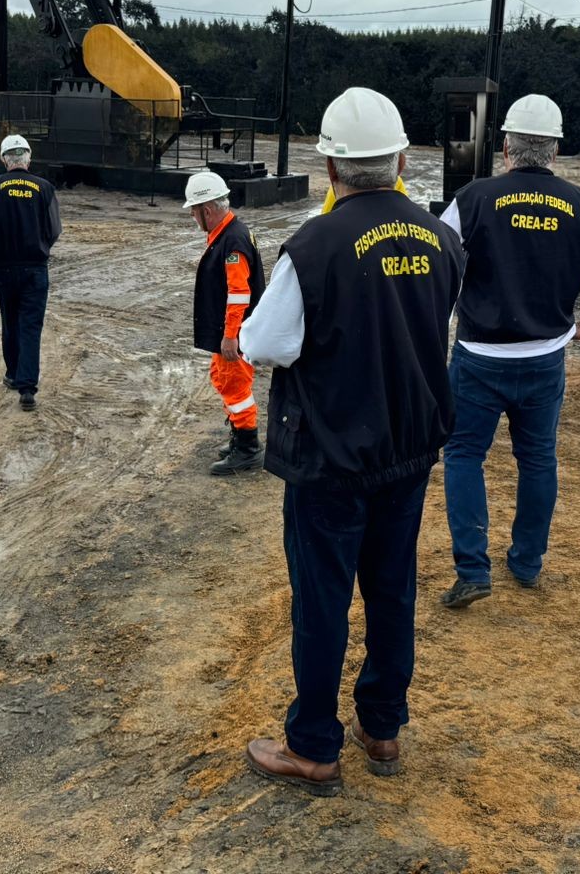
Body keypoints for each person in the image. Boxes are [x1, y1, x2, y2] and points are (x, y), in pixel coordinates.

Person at [239, 87, 464, 795]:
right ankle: (383, 726)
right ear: (400, 158)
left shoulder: (315, 244)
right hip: (408, 449)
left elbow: (267, 342)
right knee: (392, 590)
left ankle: (312, 747)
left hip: (331, 459)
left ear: (330, 167)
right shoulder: (443, 238)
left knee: (322, 601)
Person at [437, 94, 580, 610]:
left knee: (463, 456)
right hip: (544, 359)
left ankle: (472, 570)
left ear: (505, 146)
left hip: (479, 356)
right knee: (537, 460)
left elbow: (435, 260)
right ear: (555, 149)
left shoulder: (475, 198)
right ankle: (526, 563)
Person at [185, 170, 266, 474]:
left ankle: (247, 447)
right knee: (223, 378)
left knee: (235, 384)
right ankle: (241, 435)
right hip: (231, 331)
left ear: (207, 210)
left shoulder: (232, 242)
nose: (193, 217)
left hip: (235, 333)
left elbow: (239, 294)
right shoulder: (229, 234)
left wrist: (231, 335)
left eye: (194, 211)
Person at [0, 135, 61, 410]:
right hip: (35, 269)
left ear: (3, 159)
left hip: (5, 269)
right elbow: (55, 228)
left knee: (10, 321)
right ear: (28, 158)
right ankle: (27, 389)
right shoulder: (44, 187)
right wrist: (40, 244)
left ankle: (12, 374)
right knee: (30, 326)